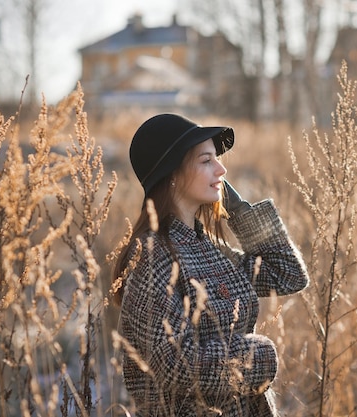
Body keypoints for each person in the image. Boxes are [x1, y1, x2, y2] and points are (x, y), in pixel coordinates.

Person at [112, 113, 309, 417]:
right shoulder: (152, 258)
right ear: (172, 173)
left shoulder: (209, 250)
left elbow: (287, 274)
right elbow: (174, 365)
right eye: (206, 161)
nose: (222, 168)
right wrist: (258, 357)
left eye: (216, 159)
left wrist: (238, 208)